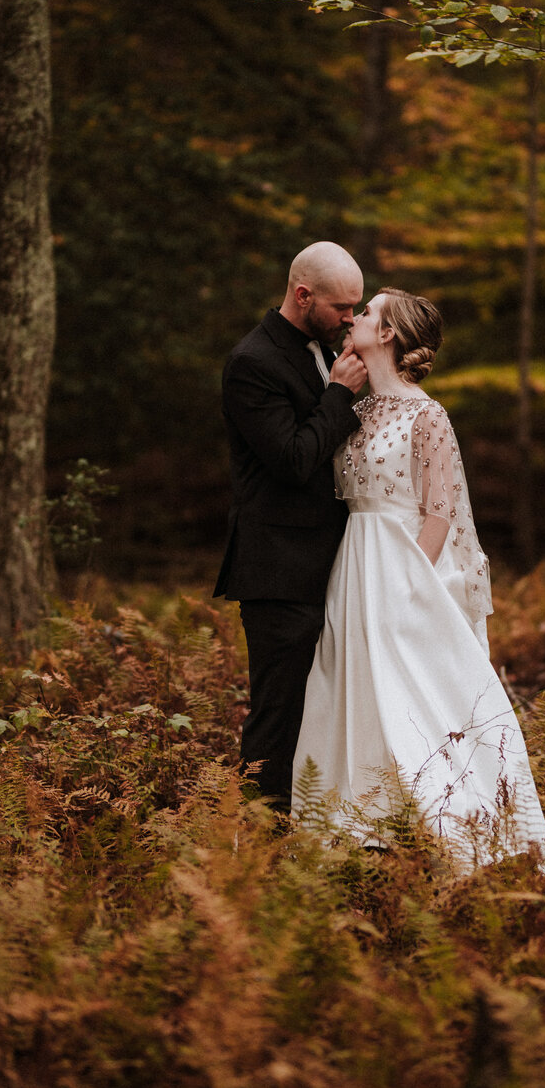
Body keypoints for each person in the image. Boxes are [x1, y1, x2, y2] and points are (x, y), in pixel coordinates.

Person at [292, 288, 545, 866]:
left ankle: (461, 826)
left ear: (387, 335)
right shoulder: (353, 411)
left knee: (414, 696)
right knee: (347, 683)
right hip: (352, 563)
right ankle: (359, 825)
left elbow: (441, 510)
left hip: (403, 566)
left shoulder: (427, 414)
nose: (354, 318)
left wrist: (412, 589)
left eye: (368, 313)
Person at [214, 242, 368, 809]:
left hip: (330, 563)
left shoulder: (322, 349)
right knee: (277, 711)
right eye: (343, 307)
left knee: (323, 705)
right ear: (303, 296)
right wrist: (339, 395)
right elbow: (293, 459)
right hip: (278, 568)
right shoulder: (252, 363)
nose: (352, 318)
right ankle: (259, 841)